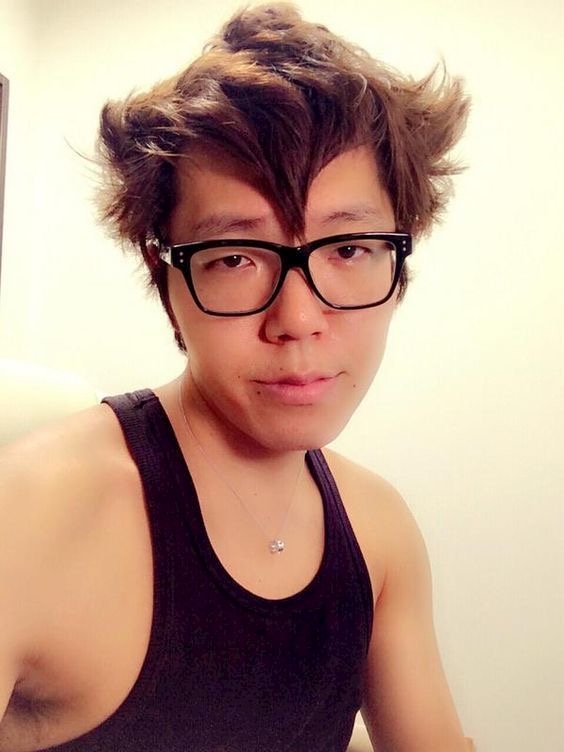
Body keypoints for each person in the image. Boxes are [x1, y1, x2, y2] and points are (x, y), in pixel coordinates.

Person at [0, 3, 471, 751]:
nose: (299, 318)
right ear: (166, 277)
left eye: (348, 249)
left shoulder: (379, 534)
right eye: (236, 258)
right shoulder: (31, 517)